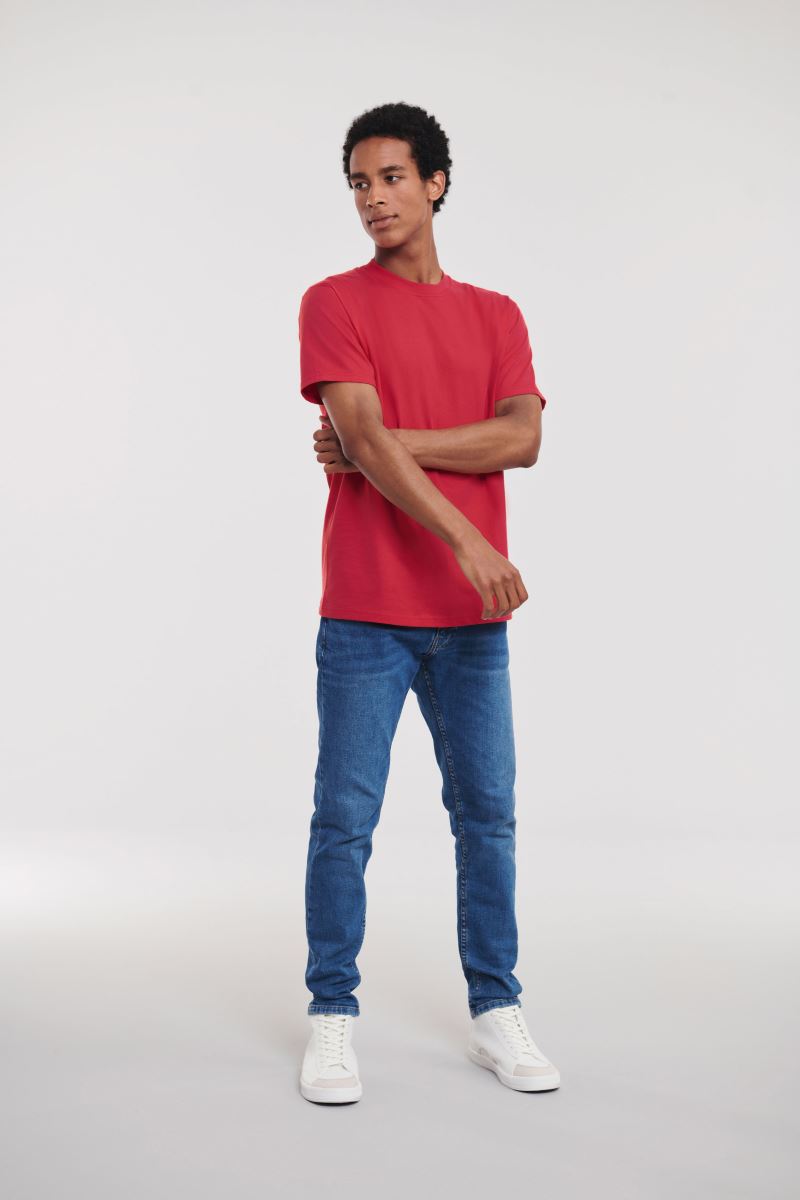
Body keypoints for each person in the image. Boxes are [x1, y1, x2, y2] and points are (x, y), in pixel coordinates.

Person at [296, 101, 560, 1104]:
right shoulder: (333, 302)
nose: (374, 197)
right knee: (343, 821)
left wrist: (380, 445)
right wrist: (468, 538)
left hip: (471, 626)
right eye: (359, 183)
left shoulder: (495, 314)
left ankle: (496, 1008)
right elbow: (360, 435)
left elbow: (520, 439)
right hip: (366, 612)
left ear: (436, 182)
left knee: (487, 818)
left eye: (392, 176)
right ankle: (331, 1013)